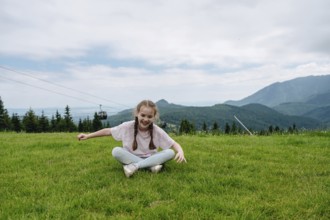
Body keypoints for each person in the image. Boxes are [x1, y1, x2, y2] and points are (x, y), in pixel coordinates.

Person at [77, 100, 186, 177]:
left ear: (154, 117)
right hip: (131, 157)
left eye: (149, 116)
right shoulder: (127, 126)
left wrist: (180, 152)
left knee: (170, 152)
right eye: (143, 115)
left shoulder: (156, 130)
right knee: (116, 151)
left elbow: (173, 144)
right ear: (137, 113)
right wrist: (88, 136)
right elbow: (108, 131)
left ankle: (135, 166)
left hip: (150, 157)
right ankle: (151, 166)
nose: (145, 119)